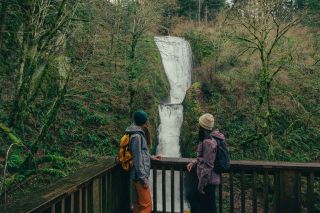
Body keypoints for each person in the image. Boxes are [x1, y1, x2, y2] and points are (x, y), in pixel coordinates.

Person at [126, 110, 160, 213]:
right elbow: (137, 159)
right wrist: (143, 179)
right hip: (139, 176)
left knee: (139, 204)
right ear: (144, 121)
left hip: (138, 175)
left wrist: (151, 157)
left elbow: (142, 152)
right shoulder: (137, 136)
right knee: (147, 206)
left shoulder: (137, 133)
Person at [186, 113, 220, 213]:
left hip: (208, 180)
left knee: (194, 197)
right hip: (207, 179)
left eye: (200, 124)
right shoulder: (206, 139)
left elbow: (208, 165)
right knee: (208, 206)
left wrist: (201, 185)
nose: (198, 126)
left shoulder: (208, 143)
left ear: (202, 127)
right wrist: (194, 162)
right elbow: (203, 157)